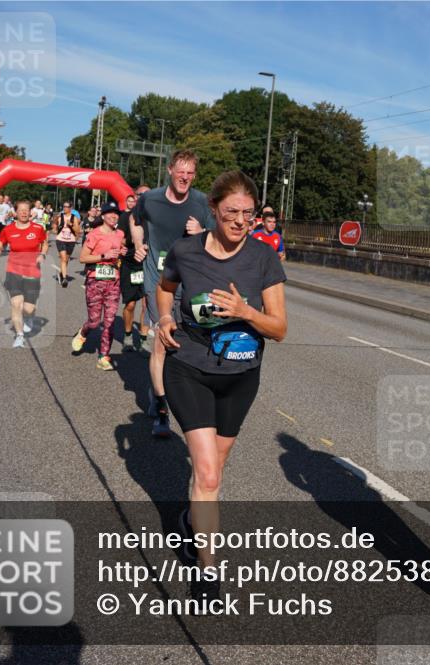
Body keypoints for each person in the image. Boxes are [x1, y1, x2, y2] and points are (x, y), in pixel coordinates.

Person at [156, 170, 286, 602]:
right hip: (188, 367)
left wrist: (246, 312)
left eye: (249, 214)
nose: (241, 221)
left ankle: (192, 517)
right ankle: (208, 570)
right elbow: (165, 287)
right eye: (232, 212)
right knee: (209, 473)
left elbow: (280, 329)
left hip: (240, 375)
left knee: (213, 468)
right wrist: (166, 318)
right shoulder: (186, 250)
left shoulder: (264, 258)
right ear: (212, 209)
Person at [131, 150, 213, 438]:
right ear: (169, 170)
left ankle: (160, 390)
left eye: (190, 172)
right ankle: (163, 410)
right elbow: (135, 220)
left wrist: (201, 231)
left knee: (195, 342)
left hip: (192, 286)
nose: (185, 177)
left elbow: (217, 240)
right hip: (159, 283)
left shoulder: (202, 202)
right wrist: (138, 244)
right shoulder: (150, 199)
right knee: (162, 343)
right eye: (181, 171)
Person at [71, 201, 127, 370]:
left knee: (109, 322)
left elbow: (120, 250)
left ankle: (104, 356)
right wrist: (104, 255)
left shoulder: (120, 234)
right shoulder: (94, 234)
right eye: (109, 213)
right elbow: (83, 258)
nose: (113, 216)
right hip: (95, 281)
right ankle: (83, 332)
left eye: (116, 213)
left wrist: (121, 253)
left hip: (113, 282)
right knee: (95, 322)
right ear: (103, 216)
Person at [0, 200, 49, 347]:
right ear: (15, 213)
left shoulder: (38, 228)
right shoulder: (8, 229)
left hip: (32, 271)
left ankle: (29, 317)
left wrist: (42, 254)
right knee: (16, 304)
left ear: (30, 212)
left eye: (26, 210)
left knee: (29, 308)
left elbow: (45, 243)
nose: (24, 212)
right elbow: (1, 243)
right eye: (21, 210)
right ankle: (19, 336)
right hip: (14, 270)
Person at [118, 188, 149, 352]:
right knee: (130, 304)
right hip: (130, 263)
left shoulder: (154, 218)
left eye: (146, 194)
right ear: (135, 197)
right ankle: (128, 335)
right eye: (140, 195)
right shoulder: (126, 216)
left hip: (148, 264)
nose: (143, 197)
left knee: (147, 305)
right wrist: (120, 247)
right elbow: (119, 238)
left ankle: (143, 340)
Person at [52, 202, 81, 287]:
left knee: (66, 260)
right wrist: (54, 228)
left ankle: (61, 273)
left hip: (70, 241)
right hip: (60, 239)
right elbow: (54, 222)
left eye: (66, 207)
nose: (64, 208)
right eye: (63, 206)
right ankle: (64, 279)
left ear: (70, 208)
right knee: (64, 258)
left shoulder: (74, 218)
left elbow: (78, 230)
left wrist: (71, 225)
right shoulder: (60, 216)